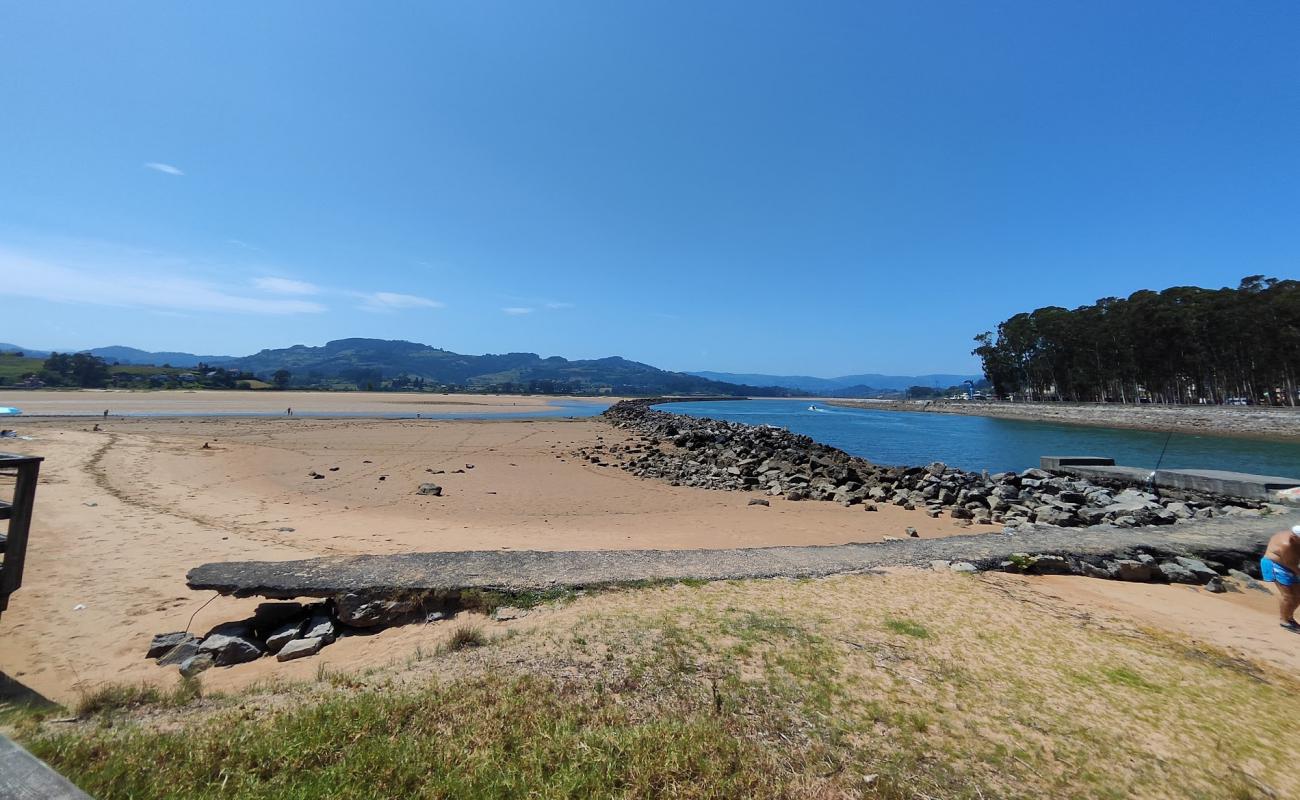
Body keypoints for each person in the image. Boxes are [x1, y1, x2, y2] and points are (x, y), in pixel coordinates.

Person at [1261, 525, 1300, 631]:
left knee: (1298, 595)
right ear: (1295, 537)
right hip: (1275, 565)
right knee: (1288, 595)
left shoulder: (1293, 536)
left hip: (1289, 564)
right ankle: (1284, 621)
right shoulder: (1287, 544)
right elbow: (1290, 564)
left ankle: (1289, 618)